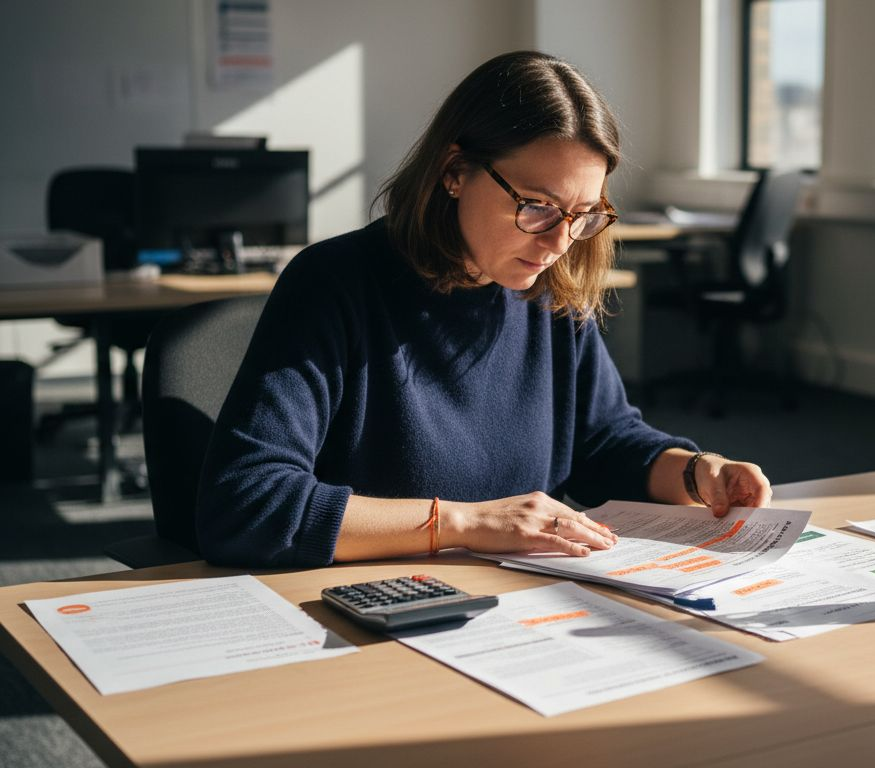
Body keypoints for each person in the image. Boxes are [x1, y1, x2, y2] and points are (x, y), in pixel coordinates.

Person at [196, 51, 772, 568]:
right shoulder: (334, 284)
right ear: (454, 172)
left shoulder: (549, 291)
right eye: (537, 206)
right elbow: (248, 502)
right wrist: (467, 523)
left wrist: (699, 473)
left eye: (583, 215)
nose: (559, 243)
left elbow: (603, 442)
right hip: (370, 603)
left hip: (508, 604)